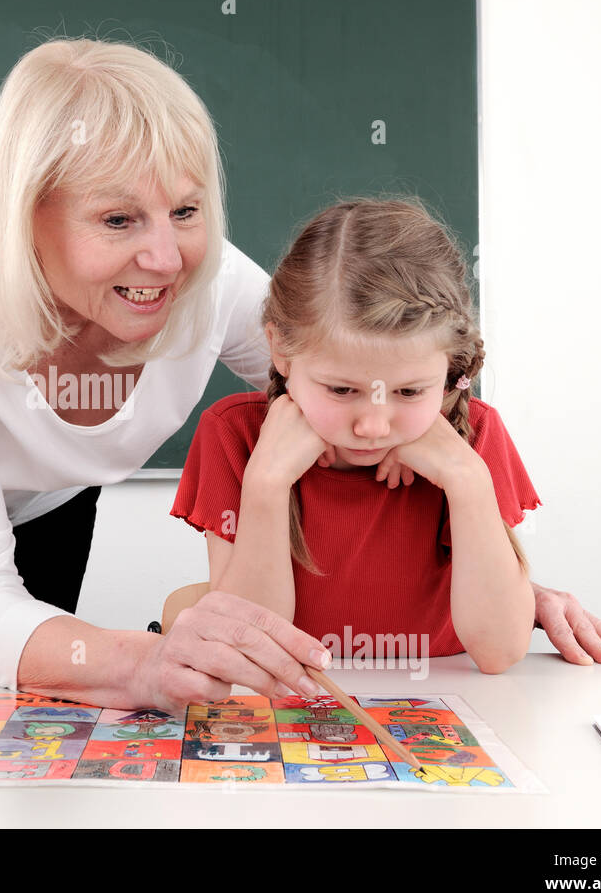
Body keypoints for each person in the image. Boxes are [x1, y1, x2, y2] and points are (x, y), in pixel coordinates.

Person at [0, 39, 601, 713]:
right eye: (116, 219)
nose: (167, 260)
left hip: (58, 498)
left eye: (185, 210)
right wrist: (144, 664)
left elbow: (360, 373)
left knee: (39, 693)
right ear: (29, 213)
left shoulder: (213, 288)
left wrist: (507, 582)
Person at [172, 197, 578, 672]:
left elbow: (500, 653)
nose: (372, 426)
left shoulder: (476, 436)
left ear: (452, 370)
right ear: (281, 349)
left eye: (408, 392)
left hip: (448, 707)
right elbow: (247, 648)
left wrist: (467, 482)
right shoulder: (233, 435)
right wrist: (266, 484)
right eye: (342, 389)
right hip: (294, 705)